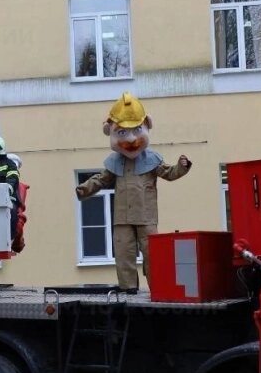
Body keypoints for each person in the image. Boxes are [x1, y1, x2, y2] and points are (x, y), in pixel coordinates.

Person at [76, 93, 191, 294]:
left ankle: (158, 287)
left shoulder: (152, 159)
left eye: (136, 130)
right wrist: (84, 188)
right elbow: (101, 179)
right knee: (123, 252)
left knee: (152, 254)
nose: (130, 140)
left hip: (146, 217)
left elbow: (169, 173)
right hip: (122, 217)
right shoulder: (115, 162)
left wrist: (182, 166)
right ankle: (128, 287)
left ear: (146, 126)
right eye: (122, 132)